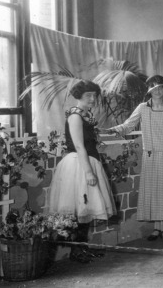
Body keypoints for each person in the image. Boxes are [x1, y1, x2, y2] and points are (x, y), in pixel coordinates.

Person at [106, 75, 163, 241]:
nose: (157, 91)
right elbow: (128, 125)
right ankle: (156, 229)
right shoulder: (143, 108)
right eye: (154, 88)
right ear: (149, 91)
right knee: (154, 194)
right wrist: (110, 131)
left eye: (160, 88)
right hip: (151, 155)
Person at [48, 80, 116, 262]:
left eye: (94, 95)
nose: (93, 99)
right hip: (78, 165)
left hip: (89, 161)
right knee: (78, 209)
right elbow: (78, 145)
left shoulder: (86, 115)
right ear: (79, 96)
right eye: (88, 96)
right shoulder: (75, 116)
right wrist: (88, 172)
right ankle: (75, 251)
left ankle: (82, 248)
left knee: (85, 208)